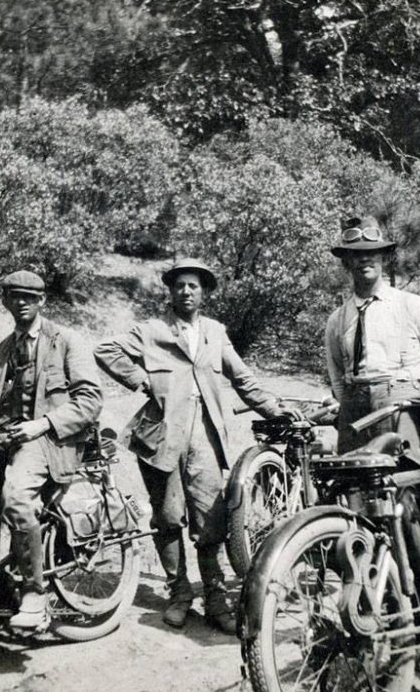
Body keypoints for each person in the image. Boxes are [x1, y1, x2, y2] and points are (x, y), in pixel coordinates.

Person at [94, 258, 300, 634]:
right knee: (168, 517)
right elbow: (105, 350)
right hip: (159, 435)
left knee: (211, 518)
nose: (186, 291)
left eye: (194, 286)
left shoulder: (216, 333)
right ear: (170, 292)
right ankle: (178, 594)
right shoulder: (151, 329)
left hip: (204, 435)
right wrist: (142, 380)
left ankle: (216, 598)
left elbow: (244, 379)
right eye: (180, 285)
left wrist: (274, 408)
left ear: (204, 293)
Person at [0, 270, 103, 629]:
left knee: (17, 497)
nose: (21, 302)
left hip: (51, 440)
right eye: (13, 296)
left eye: (29, 296)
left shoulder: (68, 342)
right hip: (4, 441)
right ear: (4, 302)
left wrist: (43, 423)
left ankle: (34, 594)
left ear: (42, 301)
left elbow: (90, 400)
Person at [325, 215, 420, 453]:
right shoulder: (337, 320)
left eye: (372, 252)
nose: (364, 258)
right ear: (346, 263)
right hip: (355, 414)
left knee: (408, 480)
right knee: (351, 482)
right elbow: (338, 380)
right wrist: (349, 408)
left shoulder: (413, 306)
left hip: (404, 407)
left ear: (383, 257)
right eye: (355, 254)